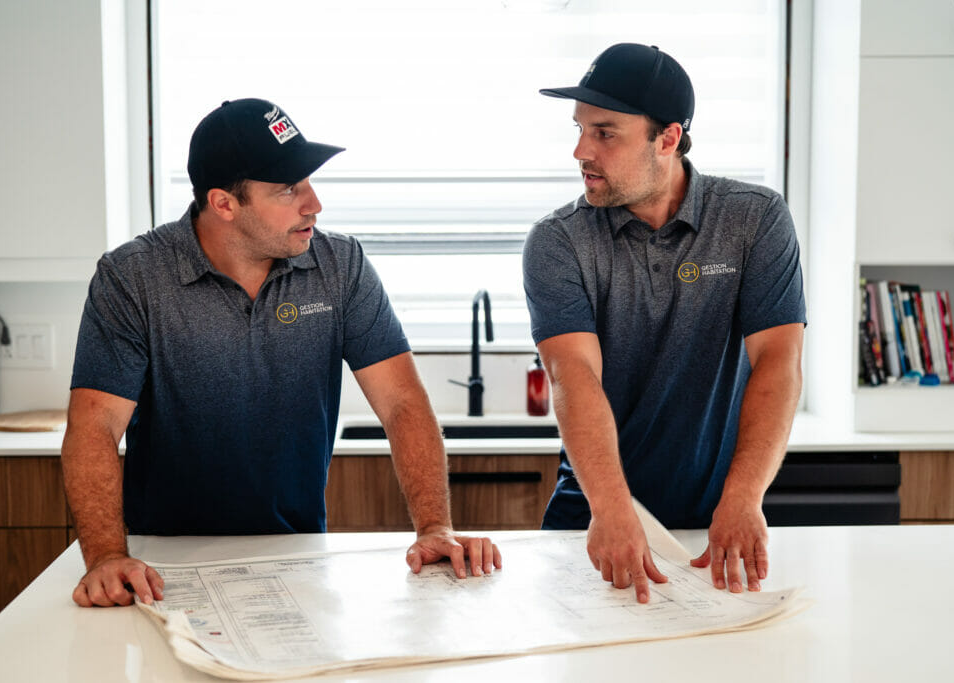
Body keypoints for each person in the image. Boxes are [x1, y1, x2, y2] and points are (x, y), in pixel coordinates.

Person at [62, 98, 501, 608]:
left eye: (308, 182)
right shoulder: (133, 277)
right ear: (224, 203)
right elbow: (95, 428)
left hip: (299, 554)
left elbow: (402, 403)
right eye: (288, 189)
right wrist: (105, 556)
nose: (313, 203)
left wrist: (435, 526)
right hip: (160, 561)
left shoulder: (341, 266)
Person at [523, 44, 805, 603]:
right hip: (594, 519)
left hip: (713, 525)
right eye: (579, 130)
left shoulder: (755, 219)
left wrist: (745, 498)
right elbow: (572, 376)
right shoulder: (559, 241)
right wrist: (612, 508)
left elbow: (778, 359)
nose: (581, 150)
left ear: (668, 139)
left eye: (605, 132)